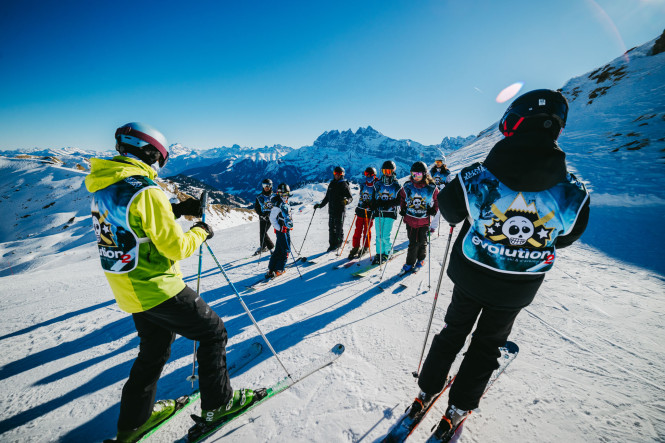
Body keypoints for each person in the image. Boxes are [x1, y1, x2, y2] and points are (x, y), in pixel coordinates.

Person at [412, 89, 590, 440]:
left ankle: (427, 388)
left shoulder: (479, 176)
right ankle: (460, 405)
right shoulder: (573, 192)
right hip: (519, 287)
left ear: (515, 123)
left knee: (453, 332)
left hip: (471, 275)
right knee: (488, 344)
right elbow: (566, 236)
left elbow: (447, 211)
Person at [86, 122, 256, 442]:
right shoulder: (147, 190)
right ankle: (218, 405)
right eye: (160, 158)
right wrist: (200, 232)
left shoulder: (105, 186)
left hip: (128, 287)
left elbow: (133, 225)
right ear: (152, 153)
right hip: (157, 286)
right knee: (213, 332)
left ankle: (133, 424)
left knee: (153, 351)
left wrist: (175, 209)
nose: (159, 165)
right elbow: (174, 247)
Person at [398, 161, 439, 273]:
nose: (416, 177)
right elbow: (402, 198)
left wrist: (434, 210)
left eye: (419, 175)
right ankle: (416, 260)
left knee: (420, 241)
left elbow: (437, 200)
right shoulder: (407, 186)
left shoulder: (431, 188)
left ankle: (413, 262)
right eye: (413, 174)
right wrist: (403, 208)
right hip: (410, 219)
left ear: (425, 174)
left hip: (424, 220)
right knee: (414, 242)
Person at [314, 166, 353, 251]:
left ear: (342, 175)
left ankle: (338, 244)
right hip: (331, 210)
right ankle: (332, 244)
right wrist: (320, 205)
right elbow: (327, 197)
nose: (337, 175)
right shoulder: (332, 184)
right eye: (335, 174)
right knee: (331, 228)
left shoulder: (344, 184)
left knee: (339, 228)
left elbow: (350, 197)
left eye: (339, 174)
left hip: (340, 211)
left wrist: (346, 201)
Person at [371, 161, 401, 264]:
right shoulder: (377, 184)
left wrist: (389, 203)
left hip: (390, 213)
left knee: (385, 236)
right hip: (378, 212)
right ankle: (379, 253)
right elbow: (373, 198)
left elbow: (399, 200)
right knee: (378, 235)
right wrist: (375, 204)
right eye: (384, 171)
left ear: (393, 171)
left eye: (389, 171)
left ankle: (388, 252)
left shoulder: (396, 185)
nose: (386, 173)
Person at [347, 167, 377, 259]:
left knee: (367, 231)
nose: (368, 176)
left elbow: (377, 199)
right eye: (366, 174)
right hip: (360, 210)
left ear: (374, 175)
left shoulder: (376, 186)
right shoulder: (363, 184)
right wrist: (358, 206)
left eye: (370, 174)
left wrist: (370, 205)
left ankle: (365, 247)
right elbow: (361, 196)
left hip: (369, 212)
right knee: (357, 230)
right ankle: (356, 247)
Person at [266, 183, 293, 279]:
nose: (284, 197)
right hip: (282, 230)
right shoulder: (278, 205)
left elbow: (286, 216)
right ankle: (279, 269)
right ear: (278, 194)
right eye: (282, 194)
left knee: (278, 249)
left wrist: (289, 225)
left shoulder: (284, 203)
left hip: (284, 229)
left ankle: (271, 268)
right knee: (285, 250)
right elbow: (272, 218)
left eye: (286, 194)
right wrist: (280, 228)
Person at [429, 156, 452, 234]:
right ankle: (427, 224)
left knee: (437, 210)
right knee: (430, 208)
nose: (437, 164)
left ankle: (433, 227)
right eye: (436, 162)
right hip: (432, 192)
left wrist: (444, 186)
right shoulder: (432, 171)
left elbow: (449, 183)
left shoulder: (446, 172)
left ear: (443, 162)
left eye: (439, 162)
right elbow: (428, 180)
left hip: (441, 193)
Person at [253, 178, 275, 255]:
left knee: (263, 232)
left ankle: (271, 247)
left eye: (268, 185)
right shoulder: (259, 197)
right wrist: (261, 214)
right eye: (264, 185)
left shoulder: (274, 196)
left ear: (271, 186)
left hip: (272, 216)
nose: (266, 187)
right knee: (262, 232)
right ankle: (263, 246)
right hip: (263, 216)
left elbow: (277, 206)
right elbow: (257, 207)